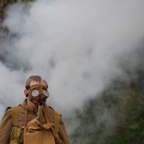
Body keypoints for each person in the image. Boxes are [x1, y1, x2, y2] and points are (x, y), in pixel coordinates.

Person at [0, 75, 70, 144]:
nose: (39, 95)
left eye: (43, 91)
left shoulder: (55, 117)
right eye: (35, 91)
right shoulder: (12, 114)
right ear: (26, 92)